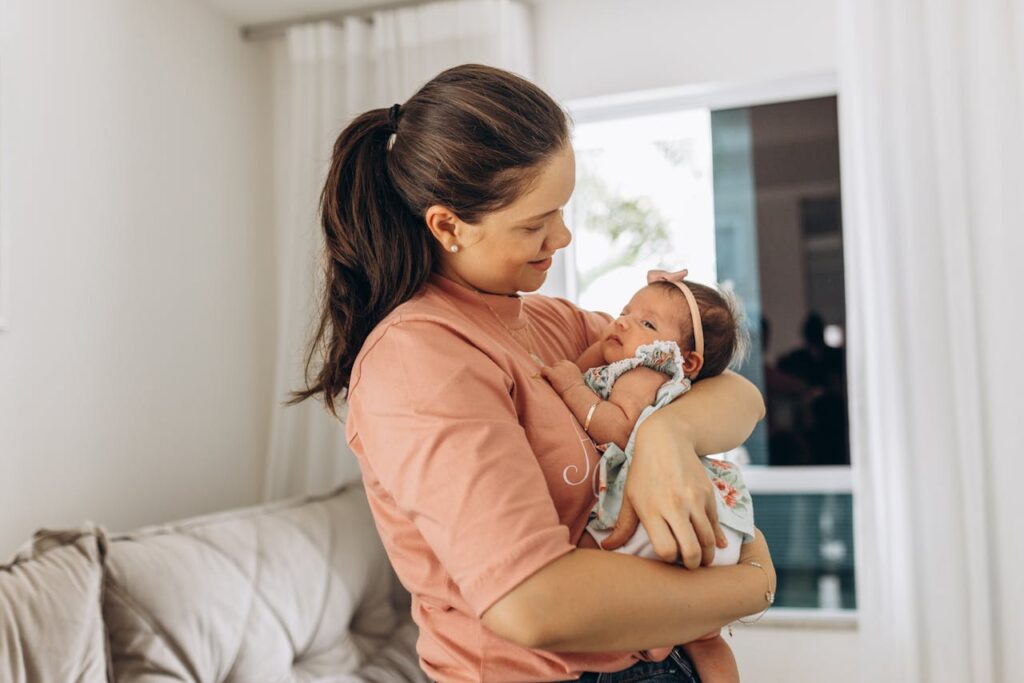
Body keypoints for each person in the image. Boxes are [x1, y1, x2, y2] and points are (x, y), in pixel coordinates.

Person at [288, 64, 774, 683]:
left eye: (563, 210)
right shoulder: (418, 360)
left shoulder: (551, 323)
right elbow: (532, 603)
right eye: (535, 223)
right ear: (447, 226)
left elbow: (736, 392)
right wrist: (751, 586)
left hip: (656, 658)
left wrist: (666, 438)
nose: (563, 236)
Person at [541, 270, 754, 683]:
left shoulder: (646, 371)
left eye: (647, 323)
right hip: (705, 524)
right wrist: (598, 351)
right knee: (706, 638)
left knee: (582, 555)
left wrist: (570, 388)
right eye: (625, 311)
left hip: (655, 519)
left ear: (686, 361)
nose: (622, 322)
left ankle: (655, 635)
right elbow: (582, 367)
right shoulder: (624, 363)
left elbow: (617, 427)